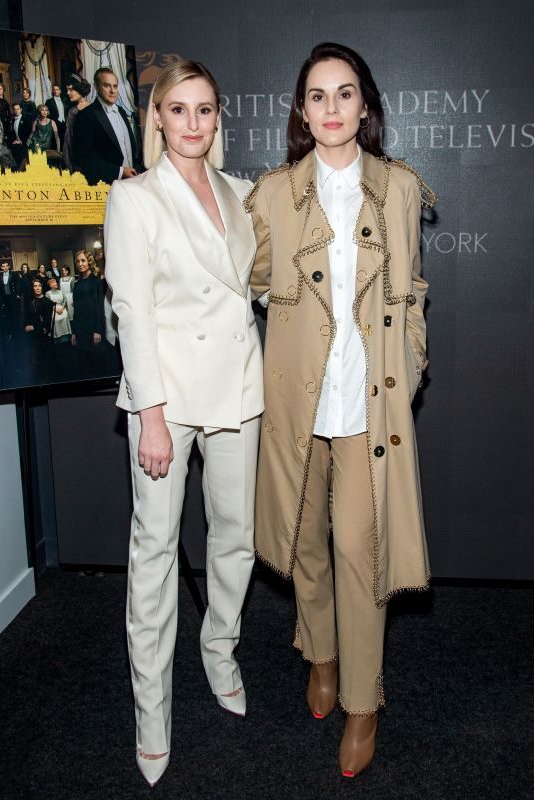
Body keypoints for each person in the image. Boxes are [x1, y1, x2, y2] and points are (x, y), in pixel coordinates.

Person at [245, 42, 436, 779]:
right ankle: (318, 653)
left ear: (365, 105)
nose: (331, 108)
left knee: (359, 548)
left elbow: (412, 290)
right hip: (296, 402)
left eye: (344, 93)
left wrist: (409, 362)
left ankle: (362, 701)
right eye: (317, 96)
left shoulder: (398, 190)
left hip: (368, 406)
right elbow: (241, 272)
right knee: (302, 545)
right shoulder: (267, 195)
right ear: (301, 110)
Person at [104, 59, 263, 787]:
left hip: (237, 388)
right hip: (165, 399)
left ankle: (219, 649)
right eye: (178, 109)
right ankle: (150, 710)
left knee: (236, 538)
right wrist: (154, 419)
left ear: (217, 117)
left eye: (204, 109)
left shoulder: (241, 193)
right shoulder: (134, 198)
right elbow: (132, 315)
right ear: (157, 118)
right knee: (155, 556)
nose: (192, 122)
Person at [74, 68, 140, 185]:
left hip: (132, 182)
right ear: (96, 87)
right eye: (107, 86)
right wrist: (120, 172)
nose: (112, 91)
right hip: (107, 184)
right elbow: (85, 159)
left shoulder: (122, 112)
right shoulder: (85, 116)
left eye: (115, 86)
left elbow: (130, 149)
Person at [71, 249, 104, 360]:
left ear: (89, 262)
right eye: (78, 261)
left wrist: (97, 330)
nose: (80, 264)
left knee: (95, 362)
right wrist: (74, 332)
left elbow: (99, 307)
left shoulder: (96, 282)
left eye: (83, 261)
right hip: (80, 328)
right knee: (82, 360)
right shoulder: (77, 284)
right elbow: (76, 309)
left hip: (93, 328)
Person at [63, 75, 91, 172]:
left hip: (79, 160)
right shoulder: (93, 108)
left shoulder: (73, 112)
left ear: (79, 89)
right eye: (67, 90)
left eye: (71, 90)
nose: (68, 93)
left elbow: (68, 140)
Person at [0, 261, 22, 339]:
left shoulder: (14, 274)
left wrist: (18, 294)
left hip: (13, 297)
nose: (5, 267)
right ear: (1, 268)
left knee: (15, 315)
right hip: (4, 299)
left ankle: (18, 333)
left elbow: (19, 284)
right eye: (3, 266)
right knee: (7, 316)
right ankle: (10, 332)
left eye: (6, 266)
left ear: (9, 267)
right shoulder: (0, 275)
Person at [46, 277, 72, 342]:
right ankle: (57, 338)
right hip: (53, 310)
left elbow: (65, 301)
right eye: (54, 283)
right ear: (50, 285)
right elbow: (47, 304)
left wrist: (62, 308)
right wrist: (55, 309)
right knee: (56, 320)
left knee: (65, 317)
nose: (56, 284)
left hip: (62, 308)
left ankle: (65, 338)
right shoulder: (48, 293)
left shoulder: (60, 292)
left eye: (56, 282)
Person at [7, 103, 32, 169]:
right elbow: (12, 134)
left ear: (21, 110)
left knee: (19, 152)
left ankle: (20, 171)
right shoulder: (12, 120)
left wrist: (21, 141)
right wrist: (14, 141)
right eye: (14, 109)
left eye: (18, 109)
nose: (16, 111)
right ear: (13, 110)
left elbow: (30, 133)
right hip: (16, 143)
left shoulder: (26, 119)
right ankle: (15, 171)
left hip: (25, 143)